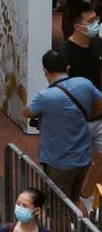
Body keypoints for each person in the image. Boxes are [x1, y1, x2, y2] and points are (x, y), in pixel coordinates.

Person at [23, 49, 102, 200]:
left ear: (45, 70)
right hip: (83, 158)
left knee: (58, 211)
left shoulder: (45, 97)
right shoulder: (84, 84)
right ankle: (82, 223)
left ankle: (70, 224)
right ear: (67, 68)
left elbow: (26, 112)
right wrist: (86, 116)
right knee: (74, 201)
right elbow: (100, 104)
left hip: (59, 163)